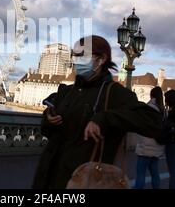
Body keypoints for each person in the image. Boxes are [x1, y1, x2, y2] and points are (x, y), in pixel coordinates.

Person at [31, 35, 163, 189]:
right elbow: (46, 131)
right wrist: (48, 119)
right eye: (74, 55)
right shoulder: (66, 92)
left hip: (84, 181)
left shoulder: (114, 94)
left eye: (81, 55)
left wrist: (104, 118)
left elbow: (154, 121)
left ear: (100, 60)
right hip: (47, 178)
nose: (76, 60)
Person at [134, 86, 165, 189]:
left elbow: (141, 124)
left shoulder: (149, 107)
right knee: (155, 173)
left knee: (140, 174)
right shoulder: (163, 110)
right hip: (157, 146)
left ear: (151, 95)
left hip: (146, 146)